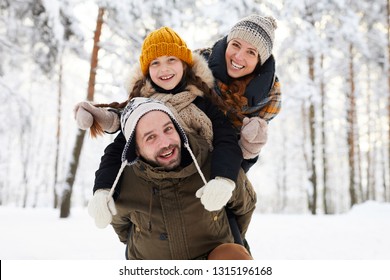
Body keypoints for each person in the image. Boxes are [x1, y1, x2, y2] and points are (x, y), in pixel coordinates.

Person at [75, 26, 244, 229]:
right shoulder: (141, 110)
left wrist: (223, 179)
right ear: (147, 70)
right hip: (158, 198)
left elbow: (226, 140)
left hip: (202, 192)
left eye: (171, 59)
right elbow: (116, 151)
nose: (164, 69)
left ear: (184, 64)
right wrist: (102, 190)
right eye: (155, 63)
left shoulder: (203, 102)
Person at [89, 97, 257, 259]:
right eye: (150, 137)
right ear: (136, 150)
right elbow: (123, 228)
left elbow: (244, 207)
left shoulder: (214, 164)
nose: (165, 143)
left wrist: (233, 242)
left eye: (168, 129)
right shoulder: (124, 182)